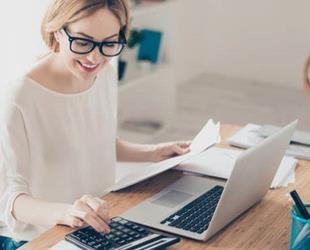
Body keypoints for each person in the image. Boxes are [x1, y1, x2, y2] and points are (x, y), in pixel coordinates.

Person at [0, 0, 190, 248]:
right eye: (82, 41)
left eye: (109, 43)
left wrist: (153, 153)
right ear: (57, 30)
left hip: (95, 227)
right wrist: (66, 212)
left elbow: (95, 142)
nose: (94, 57)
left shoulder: (104, 75)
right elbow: (10, 199)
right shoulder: (19, 97)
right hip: (35, 238)